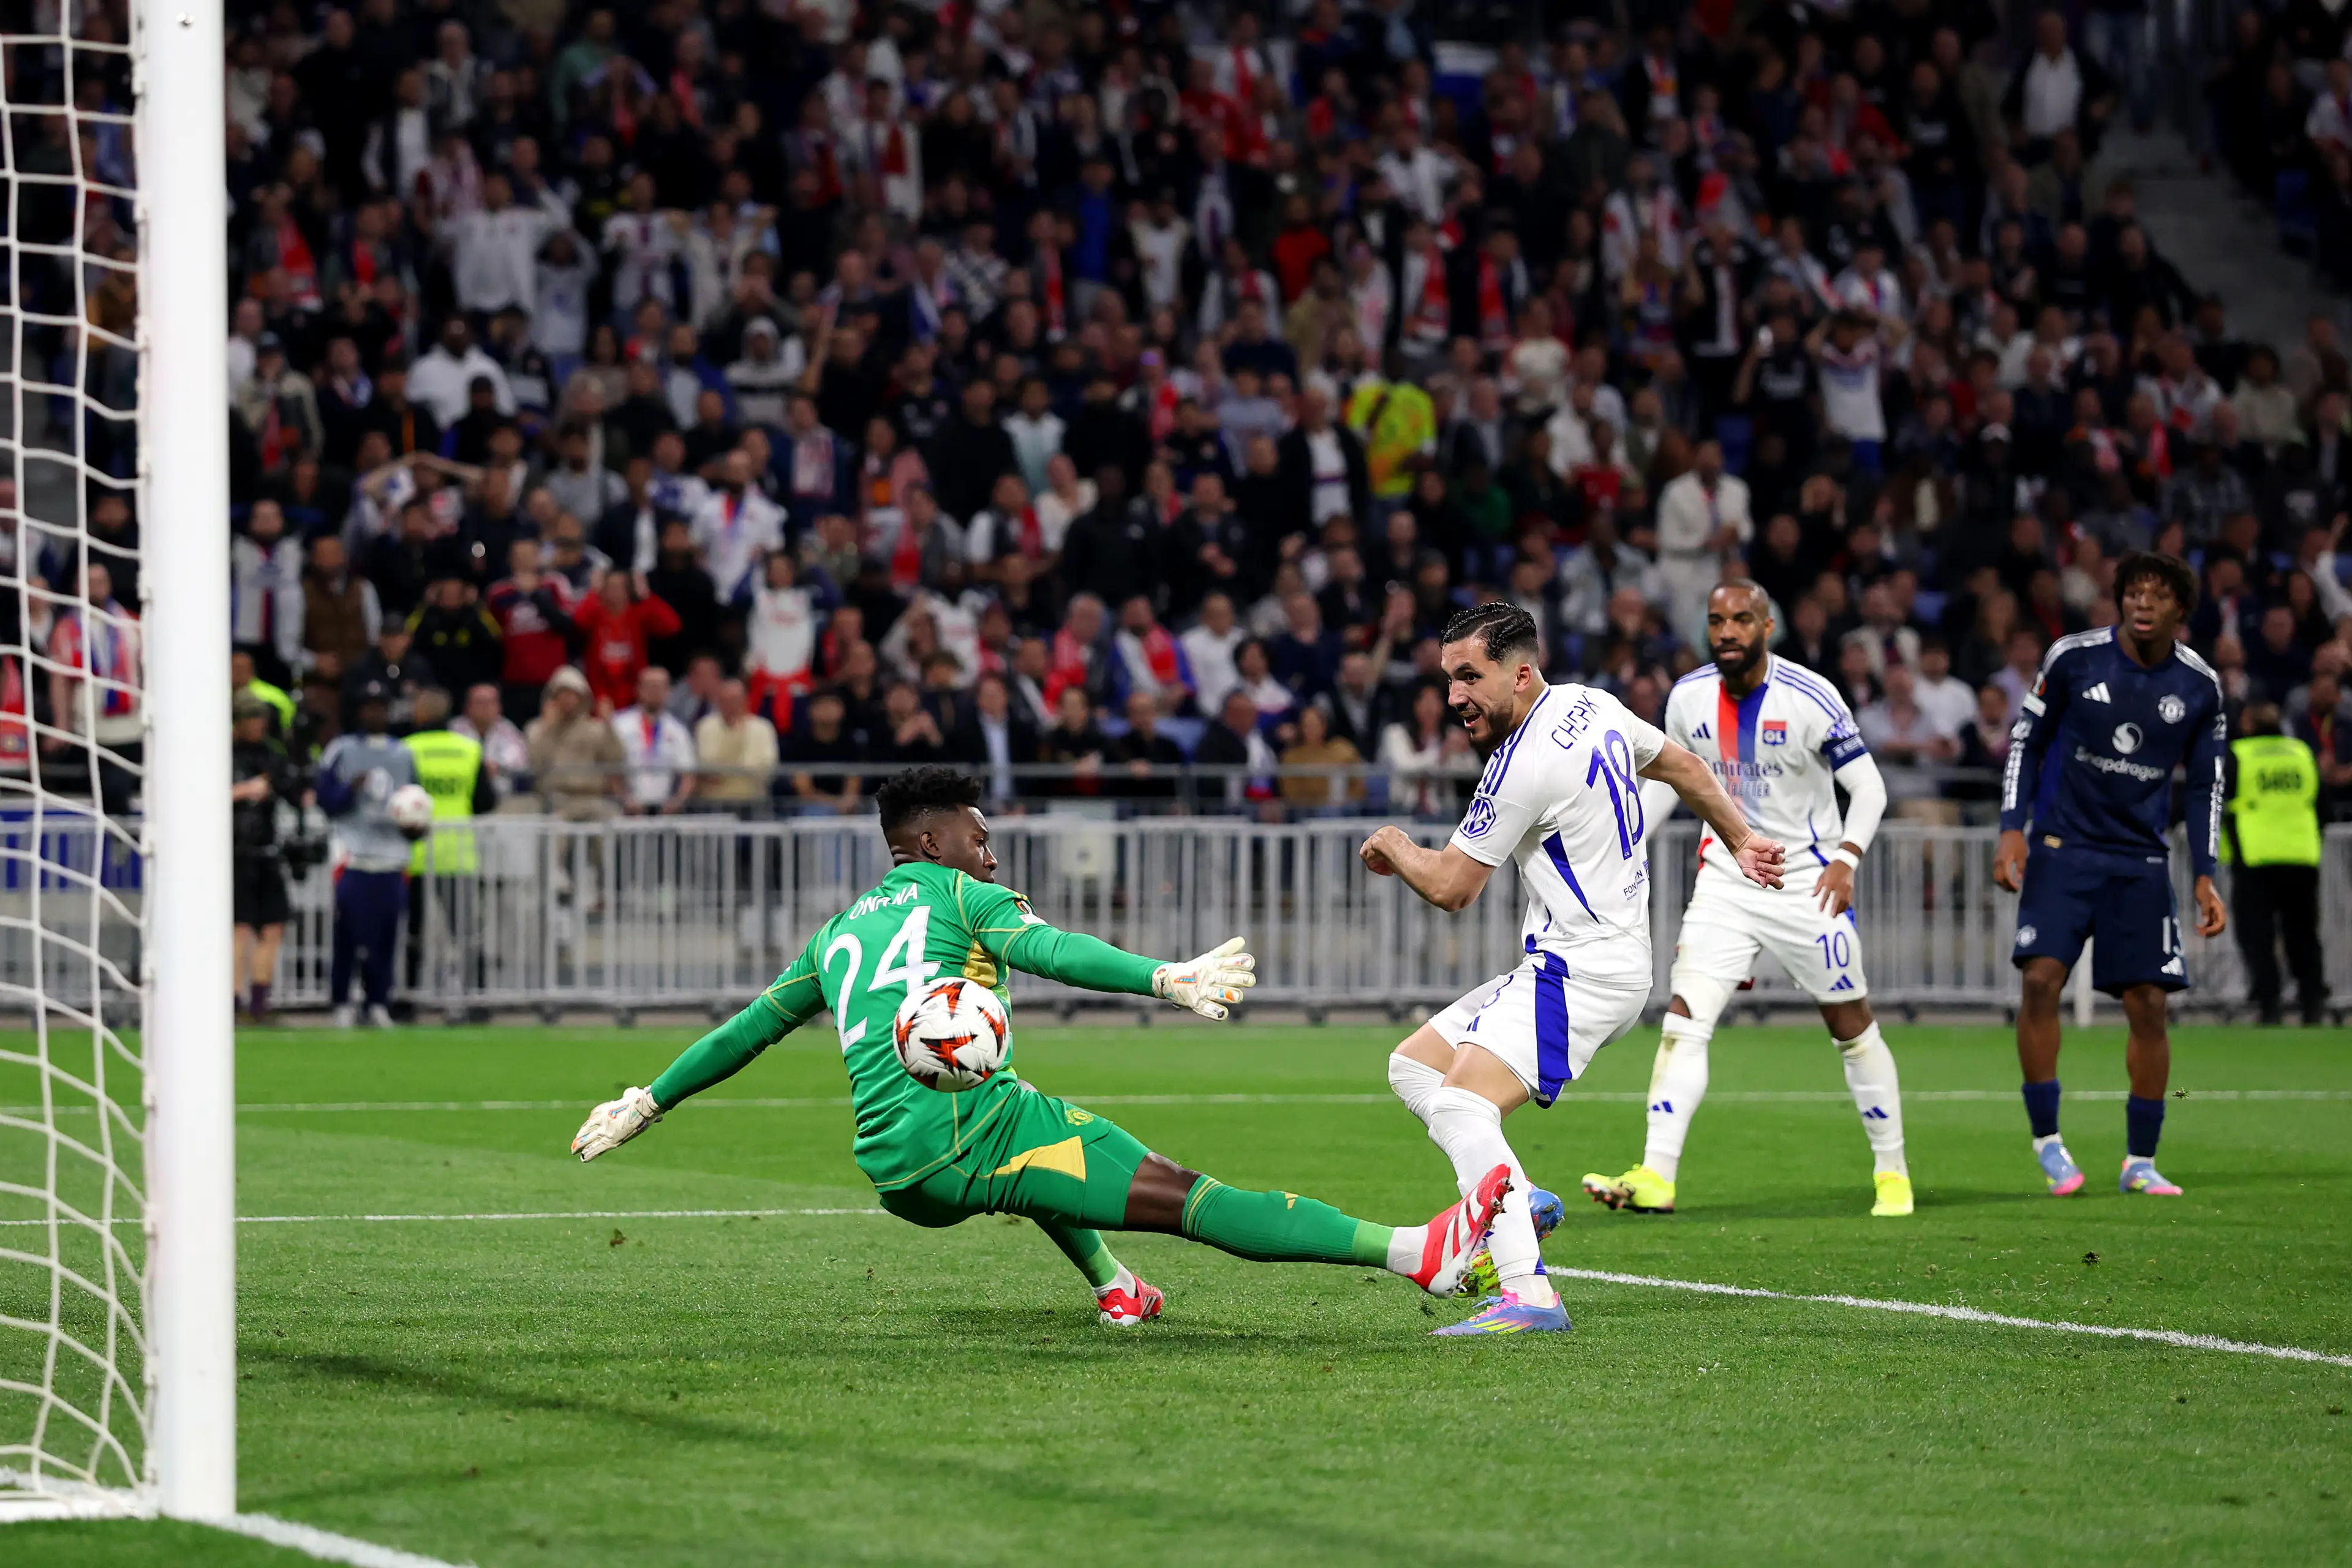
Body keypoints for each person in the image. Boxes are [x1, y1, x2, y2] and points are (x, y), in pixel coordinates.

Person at [570, 766, 1513, 1327]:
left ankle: (1115, 1289)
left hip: (898, 1174)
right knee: (1190, 1197)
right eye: (979, 840)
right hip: (971, 1138)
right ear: (932, 839)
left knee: (1045, 1134)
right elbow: (1049, 948)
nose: (991, 855)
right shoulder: (962, 896)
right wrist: (1164, 977)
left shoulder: (837, 934)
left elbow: (748, 1030)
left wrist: (644, 1102)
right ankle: (1413, 1255)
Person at [1356, 604, 1785, 1334]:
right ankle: (1516, 1200)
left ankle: (1528, 1291)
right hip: (1584, 960)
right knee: (1414, 1067)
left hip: (1582, 972)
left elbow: (1454, 887)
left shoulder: (1523, 763)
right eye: (1448, 678)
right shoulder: (1592, 703)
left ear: (1520, 675)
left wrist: (1393, 843)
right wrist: (1741, 838)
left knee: (1463, 1104)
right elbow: (1680, 763)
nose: (1455, 696)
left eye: (1469, 677)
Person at [1587, 581, 1908, 1220]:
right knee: (1685, 1016)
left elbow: (1868, 789)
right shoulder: (1688, 698)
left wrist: (1846, 860)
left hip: (1805, 880)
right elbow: (1671, 784)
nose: (1727, 631)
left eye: (1741, 620)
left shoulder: (1812, 697)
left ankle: (1892, 1171)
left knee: (1850, 1023)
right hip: (1728, 878)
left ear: (1767, 626)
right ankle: (1657, 1174)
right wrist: (1622, 846)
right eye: (1716, 620)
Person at [1995, 552, 2227, 1198]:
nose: (2142, 605)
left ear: (2181, 608)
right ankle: (2049, 1144)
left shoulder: (2200, 686)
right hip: (2064, 849)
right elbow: (2026, 741)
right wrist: (2013, 826)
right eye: (2132, 593)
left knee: (2148, 1004)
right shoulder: (2073, 657)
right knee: (2040, 981)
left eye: (2157, 595)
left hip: (2141, 861)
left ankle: (2141, 1160)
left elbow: (2208, 784)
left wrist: (2205, 873)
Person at [315, 678, 418, 1029]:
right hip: (354, 853)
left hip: (392, 856)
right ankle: (342, 1001)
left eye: (381, 707)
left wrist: (414, 826)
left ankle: (378, 1001)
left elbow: (415, 806)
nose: (376, 713)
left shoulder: (403, 754)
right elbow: (325, 801)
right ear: (359, 711)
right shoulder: (341, 750)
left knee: (386, 934)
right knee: (349, 932)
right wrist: (349, 790)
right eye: (369, 707)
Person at [2226, 703, 2328, 1025]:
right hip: (2301, 855)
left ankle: (2270, 1004)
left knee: (2257, 934)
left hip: (2255, 856)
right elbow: (2321, 804)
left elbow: (2220, 802)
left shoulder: (2238, 755)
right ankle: (2312, 1002)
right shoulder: (2300, 753)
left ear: (2249, 724)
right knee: (2303, 933)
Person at [231, 693, 301, 1023]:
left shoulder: (272, 755)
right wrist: (245, 790)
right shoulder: (222, 755)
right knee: (239, 928)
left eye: (259, 718)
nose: (256, 724)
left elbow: (293, 793)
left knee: (272, 927)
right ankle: (233, 1000)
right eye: (249, 718)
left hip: (266, 849)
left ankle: (260, 1001)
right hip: (235, 851)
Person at [614, 665, 698, 815]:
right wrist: (625, 799)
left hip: (664, 811)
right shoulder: (620, 725)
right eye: (649, 686)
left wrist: (677, 802)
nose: (654, 692)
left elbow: (688, 774)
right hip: (626, 809)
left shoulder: (678, 730)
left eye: (659, 687)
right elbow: (610, 769)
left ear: (668, 692)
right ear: (638, 689)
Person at [696, 678, 779, 815]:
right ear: (718, 702)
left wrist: (729, 771)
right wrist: (736, 736)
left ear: (746, 700)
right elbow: (709, 771)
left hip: (753, 802)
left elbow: (767, 771)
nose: (731, 705)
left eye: (735, 700)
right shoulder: (706, 727)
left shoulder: (763, 728)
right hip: (714, 803)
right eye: (726, 700)